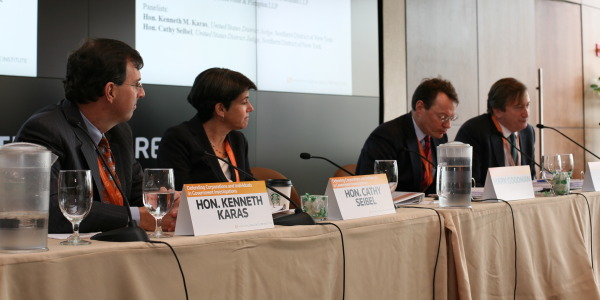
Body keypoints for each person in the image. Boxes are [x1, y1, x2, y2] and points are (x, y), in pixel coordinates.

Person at [15, 38, 178, 234]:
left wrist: (167, 201)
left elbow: (137, 194)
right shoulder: (45, 130)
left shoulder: (120, 132)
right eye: (136, 84)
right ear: (110, 91)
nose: (142, 93)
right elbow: (46, 209)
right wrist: (135, 217)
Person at [356, 77, 459, 194]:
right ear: (420, 107)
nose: (448, 125)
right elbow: (372, 189)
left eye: (451, 118)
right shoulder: (386, 137)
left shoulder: (439, 137)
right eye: (442, 117)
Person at [157, 68, 256, 189]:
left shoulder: (237, 139)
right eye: (244, 102)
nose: (250, 108)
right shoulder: (178, 138)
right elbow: (179, 195)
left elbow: (249, 186)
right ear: (220, 109)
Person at [455, 77, 535, 186]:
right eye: (518, 107)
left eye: (527, 105)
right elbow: (469, 185)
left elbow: (532, 178)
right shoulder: (473, 131)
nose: (526, 113)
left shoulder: (528, 132)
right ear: (497, 111)